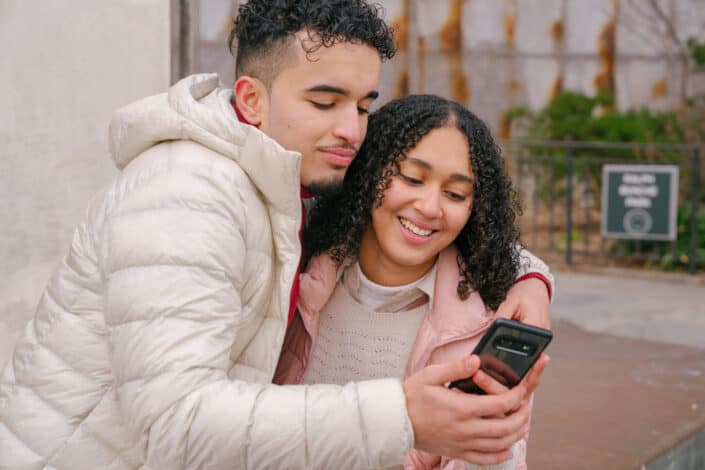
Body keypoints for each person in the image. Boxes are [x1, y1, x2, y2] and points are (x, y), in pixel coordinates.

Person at [0, 1, 552, 468]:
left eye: (363, 107)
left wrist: (530, 277)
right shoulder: (188, 195)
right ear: (252, 99)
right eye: (324, 102)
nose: (351, 130)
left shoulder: (286, 187)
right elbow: (170, 424)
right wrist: (403, 416)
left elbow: (427, 220)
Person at [274, 94, 548, 469]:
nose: (430, 207)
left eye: (455, 194)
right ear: (370, 173)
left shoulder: (486, 332)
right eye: (412, 178)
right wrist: (536, 277)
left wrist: (494, 441)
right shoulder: (294, 270)